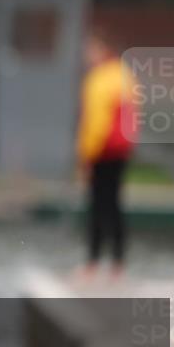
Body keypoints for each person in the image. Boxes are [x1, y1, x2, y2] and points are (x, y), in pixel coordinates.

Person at [74, 28, 138, 282]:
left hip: (101, 152)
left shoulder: (98, 79)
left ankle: (92, 261)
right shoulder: (125, 75)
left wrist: (85, 156)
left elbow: (96, 124)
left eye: (90, 49)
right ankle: (118, 263)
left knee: (98, 206)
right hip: (121, 151)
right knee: (115, 204)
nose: (86, 55)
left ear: (101, 49)